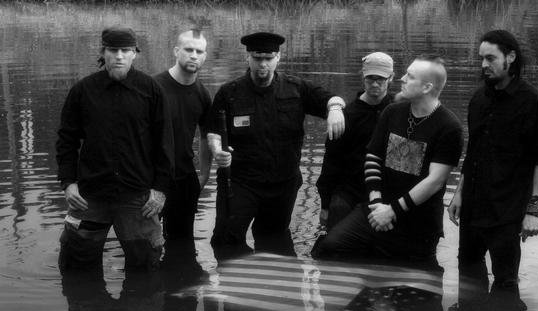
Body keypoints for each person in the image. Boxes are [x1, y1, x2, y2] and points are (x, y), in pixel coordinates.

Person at [312, 55, 463, 267]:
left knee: (412, 273)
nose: (402, 78)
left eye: (410, 76)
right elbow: (373, 157)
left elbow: (435, 181)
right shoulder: (392, 112)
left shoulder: (449, 126)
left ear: (427, 87)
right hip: (378, 207)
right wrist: (376, 203)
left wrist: (392, 211)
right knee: (329, 248)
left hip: (418, 220)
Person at [206, 31, 346, 260]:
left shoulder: (297, 88)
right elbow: (213, 132)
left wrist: (335, 109)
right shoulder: (229, 93)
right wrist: (217, 150)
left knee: (273, 241)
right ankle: (230, 278)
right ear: (248, 57)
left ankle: (271, 278)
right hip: (240, 183)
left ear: (278, 58)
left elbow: (332, 99)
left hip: (283, 185)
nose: (263, 64)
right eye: (257, 57)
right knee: (226, 241)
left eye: (268, 58)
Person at [56, 26, 174, 274]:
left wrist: (160, 189)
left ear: (135, 53)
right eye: (113, 50)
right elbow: (66, 140)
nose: (119, 56)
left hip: (137, 196)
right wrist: (68, 183)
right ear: (103, 52)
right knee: (76, 264)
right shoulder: (83, 91)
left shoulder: (151, 90)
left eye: (126, 50)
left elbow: (164, 142)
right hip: (89, 195)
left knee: (146, 266)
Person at [447, 30, 538, 289]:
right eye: (481, 58)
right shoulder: (478, 99)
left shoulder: (533, 102)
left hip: (507, 212)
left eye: (491, 58)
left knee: (506, 284)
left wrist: (533, 211)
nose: (484, 65)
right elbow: (473, 152)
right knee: (468, 277)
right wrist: (459, 194)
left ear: (511, 57)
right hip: (472, 207)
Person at [316, 52, 395, 231]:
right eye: (370, 78)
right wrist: (325, 205)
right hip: (349, 190)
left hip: (386, 190)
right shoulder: (346, 116)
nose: (374, 84)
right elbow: (331, 163)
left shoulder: (399, 110)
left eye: (380, 79)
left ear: (391, 78)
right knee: (335, 229)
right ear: (362, 77)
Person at [154, 29, 212, 258]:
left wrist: (204, 175)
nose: (194, 55)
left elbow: (206, 136)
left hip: (185, 178)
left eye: (199, 51)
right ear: (176, 51)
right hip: (152, 178)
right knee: (147, 244)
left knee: (183, 245)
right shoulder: (154, 87)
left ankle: (181, 278)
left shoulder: (202, 94)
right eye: (189, 50)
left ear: (205, 56)